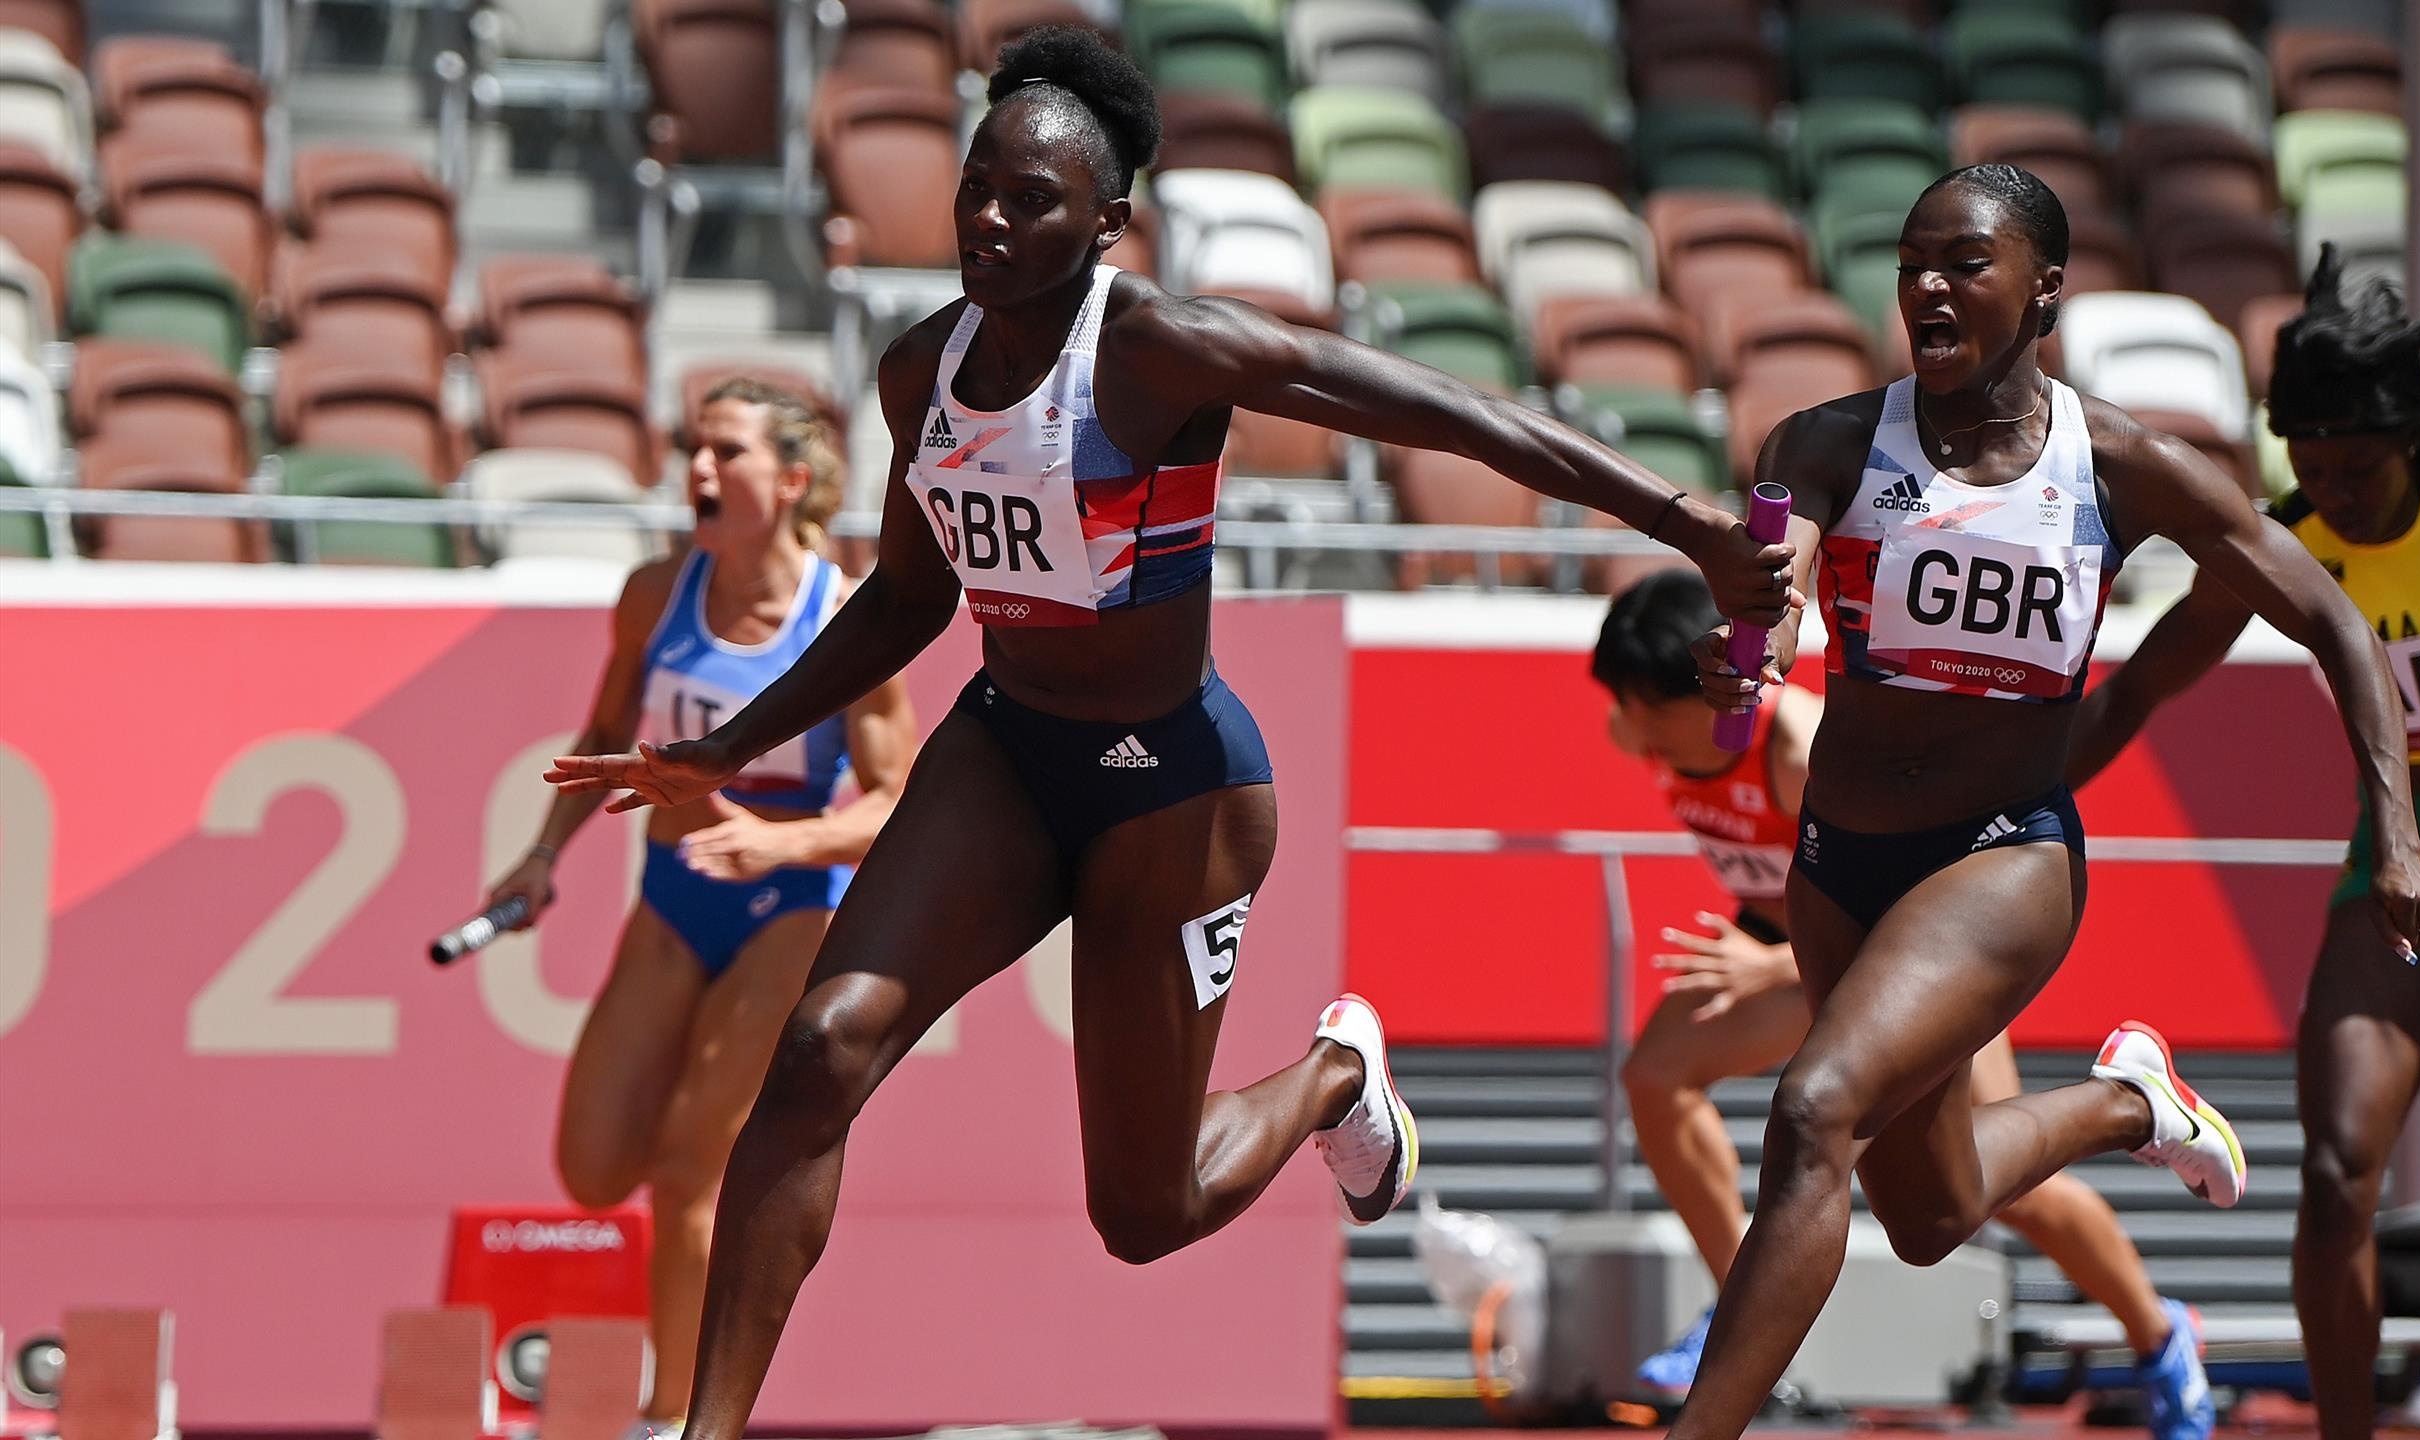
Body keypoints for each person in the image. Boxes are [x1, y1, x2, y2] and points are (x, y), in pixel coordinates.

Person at [542, 27, 1798, 1440]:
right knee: (821, 1051)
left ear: (1106, 221)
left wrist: (1682, 519)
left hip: (1171, 791)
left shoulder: (1156, 352)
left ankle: (1335, 1073)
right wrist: (730, 745)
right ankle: (700, 1430)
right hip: (1007, 756)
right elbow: (908, 593)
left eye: (1035, 201)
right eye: (979, 189)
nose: (993, 223)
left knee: (1144, 1213)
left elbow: (1451, 413)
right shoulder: (921, 373)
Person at [1654, 165, 2420, 1440]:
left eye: (1963, 263)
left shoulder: (2122, 466)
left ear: (2045, 291)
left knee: (1811, 1112)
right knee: (1928, 1216)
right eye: (1912, 262)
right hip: (1840, 860)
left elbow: (2335, 618)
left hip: (2001, 858)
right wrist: (1749, 638)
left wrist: (2396, 830)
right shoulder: (1825, 441)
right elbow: (1774, 587)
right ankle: (2130, 1102)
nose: (1927, 287)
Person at [2068, 247, 2420, 1440]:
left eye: (2356, 466)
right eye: (2310, 466)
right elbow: (2144, 687)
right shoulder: (2287, 542)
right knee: (2338, 1176)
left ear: (2408, 441)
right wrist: (2019, 793)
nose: (2332, 489)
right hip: (2393, 859)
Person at [1595, 569, 2210, 1438]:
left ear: (1707, 694)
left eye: (1648, 711)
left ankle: (2159, 1334)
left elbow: (1906, 889)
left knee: (1994, 1189)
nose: (1633, 732)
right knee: (1656, 1078)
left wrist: (1765, 964)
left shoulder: (1796, 751)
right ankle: (1736, 1321)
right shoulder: (1641, 724)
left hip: (1900, 954)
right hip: (1792, 956)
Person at [484, 378, 917, 1424]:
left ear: (793, 479)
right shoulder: (653, 594)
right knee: (591, 1168)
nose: (699, 472)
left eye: (727, 453)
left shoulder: (843, 613)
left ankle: (676, 1416)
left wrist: (783, 840)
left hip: (789, 907)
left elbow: (897, 799)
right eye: (693, 449)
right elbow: (602, 736)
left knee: (689, 1179)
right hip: (672, 897)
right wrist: (541, 855)